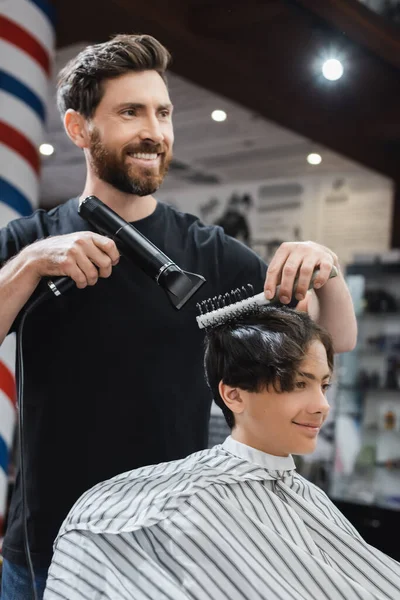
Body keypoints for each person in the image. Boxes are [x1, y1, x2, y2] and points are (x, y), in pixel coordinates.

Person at [0, 33, 357, 598]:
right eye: (130, 112)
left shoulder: (211, 253)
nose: (155, 131)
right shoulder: (31, 242)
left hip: (169, 549)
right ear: (78, 129)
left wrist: (326, 267)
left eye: (163, 112)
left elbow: (333, 336)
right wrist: (31, 266)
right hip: (48, 548)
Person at [43, 307, 399, 600]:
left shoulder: (308, 496)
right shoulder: (175, 505)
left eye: (323, 386)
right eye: (298, 385)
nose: (322, 406)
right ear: (233, 395)